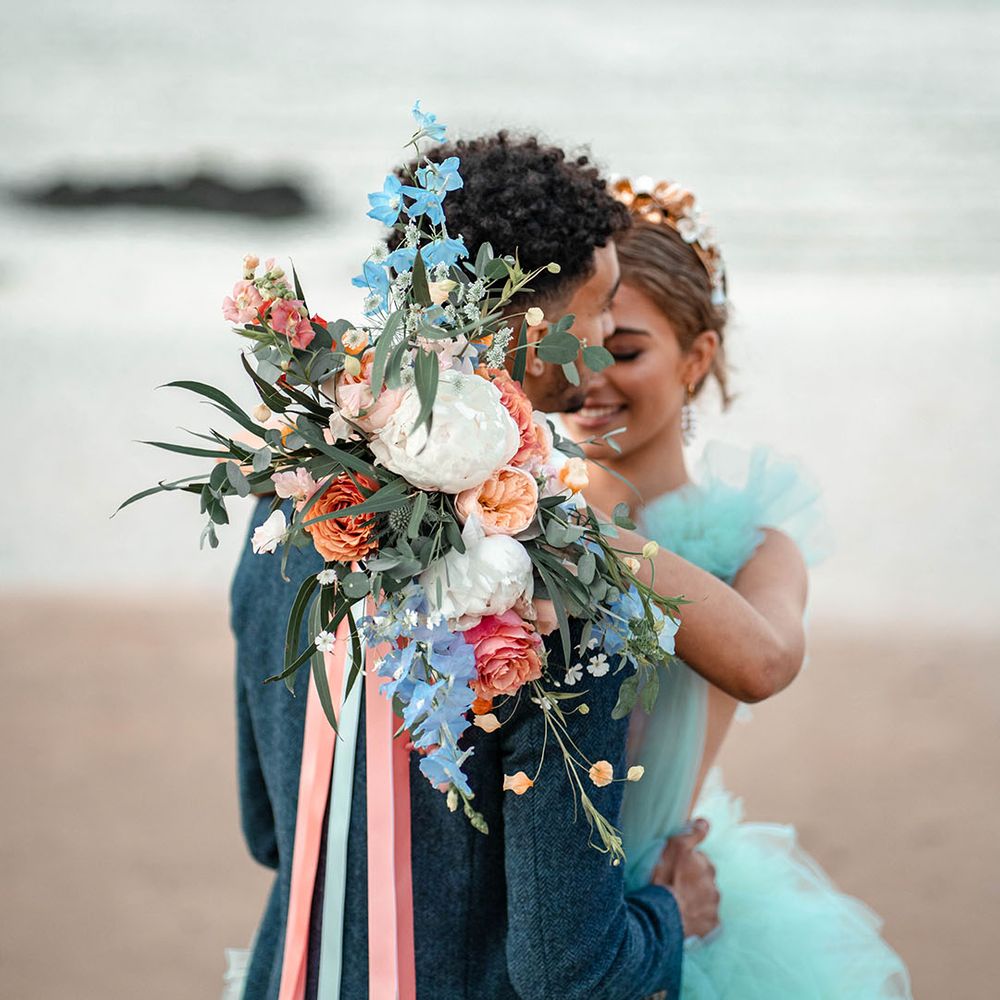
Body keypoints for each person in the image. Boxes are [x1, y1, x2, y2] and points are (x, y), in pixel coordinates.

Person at [231, 135, 721, 1000]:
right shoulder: (559, 576)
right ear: (530, 320)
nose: (606, 336)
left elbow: (271, 832)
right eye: (601, 304)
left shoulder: (299, 502)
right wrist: (669, 917)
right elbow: (570, 971)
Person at [559, 176, 913, 997]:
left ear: (698, 357)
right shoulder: (500, 515)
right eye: (572, 347)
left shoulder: (757, 546)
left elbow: (765, 662)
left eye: (626, 351)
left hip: (666, 902)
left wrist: (576, 533)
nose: (590, 379)